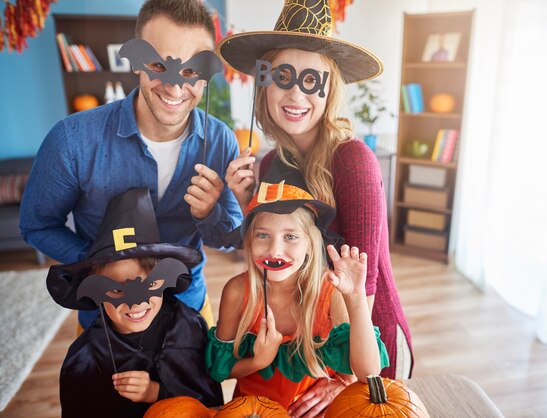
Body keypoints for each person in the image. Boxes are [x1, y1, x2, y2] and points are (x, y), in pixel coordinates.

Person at [220, 0, 413, 382]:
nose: (295, 95)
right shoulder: (268, 162)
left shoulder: (353, 161)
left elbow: (364, 283)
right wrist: (247, 203)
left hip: (365, 345)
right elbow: (277, 251)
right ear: (263, 84)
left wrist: (344, 380)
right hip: (307, 346)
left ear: (329, 91)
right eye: (282, 77)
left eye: (311, 81)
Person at [20, 0, 242, 331]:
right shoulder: (71, 140)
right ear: (137, 62)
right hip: (106, 319)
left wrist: (208, 213)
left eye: (191, 70)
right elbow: (38, 225)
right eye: (157, 63)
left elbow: (230, 236)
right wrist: (101, 265)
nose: (175, 86)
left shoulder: (221, 141)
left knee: (190, 386)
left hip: (187, 310)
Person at [206, 158, 388, 417]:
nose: (275, 250)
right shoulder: (237, 291)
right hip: (252, 412)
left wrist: (356, 297)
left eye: (290, 236)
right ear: (249, 239)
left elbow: (368, 373)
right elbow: (220, 369)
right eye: (262, 235)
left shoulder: (330, 291)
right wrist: (259, 361)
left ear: (311, 245)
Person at [47, 188, 224, 418]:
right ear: (95, 289)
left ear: (163, 278)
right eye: (117, 289)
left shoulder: (189, 328)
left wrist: (157, 392)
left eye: (148, 285)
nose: (135, 304)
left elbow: (210, 407)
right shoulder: (85, 358)